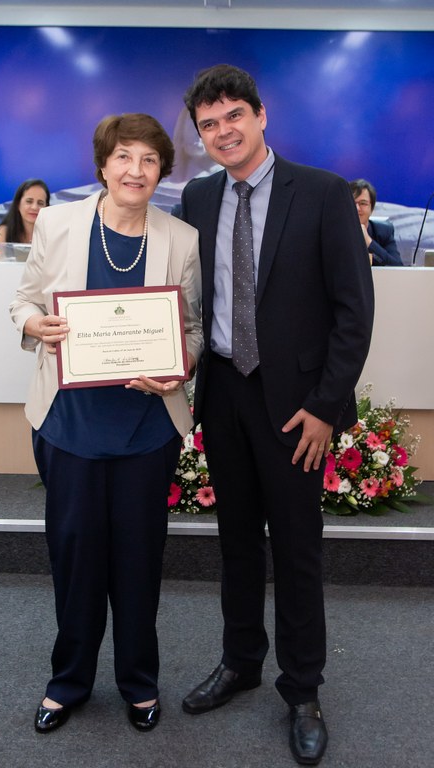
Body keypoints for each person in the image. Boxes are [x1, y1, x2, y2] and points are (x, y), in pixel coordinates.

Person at [179, 64, 374, 766]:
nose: (223, 131)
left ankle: (303, 689)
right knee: (235, 541)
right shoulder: (198, 197)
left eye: (234, 115)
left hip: (296, 409)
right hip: (224, 394)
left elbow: (354, 312)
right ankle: (240, 662)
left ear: (261, 117)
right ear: (201, 137)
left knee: (296, 548)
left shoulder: (321, 192)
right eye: (209, 124)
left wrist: (325, 408)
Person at [9, 114, 202, 734]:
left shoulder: (181, 238)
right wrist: (32, 324)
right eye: (124, 156)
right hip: (69, 425)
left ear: (161, 171)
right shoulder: (59, 224)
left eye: (149, 160)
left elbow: (192, 328)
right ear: (103, 165)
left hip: (146, 430)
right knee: (75, 561)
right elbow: (25, 299)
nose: (135, 170)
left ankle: (139, 683)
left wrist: (182, 364)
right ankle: (68, 682)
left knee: (139, 561)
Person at [0, 178, 50, 260]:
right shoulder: (3, 231)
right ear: (18, 204)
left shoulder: (52, 233)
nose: (34, 207)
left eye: (40, 203)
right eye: (29, 201)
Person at [349, 178, 403, 266]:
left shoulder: (384, 232)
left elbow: (398, 268)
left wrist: (368, 241)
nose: (357, 208)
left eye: (363, 203)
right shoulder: (333, 231)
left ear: (372, 208)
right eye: (352, 203)